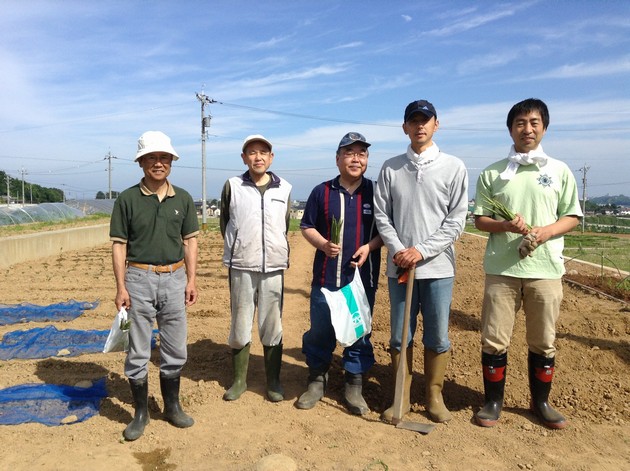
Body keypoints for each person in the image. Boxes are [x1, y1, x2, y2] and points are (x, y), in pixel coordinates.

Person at [473, 98, 582, 429]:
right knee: (494, 338)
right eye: (520, 123)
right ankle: (493, 402)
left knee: (543, 340)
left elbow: (572, 216)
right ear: (510, 129)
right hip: (502, 271)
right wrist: (506, 225)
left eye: (534, 122)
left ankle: (541, 402)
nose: (527, 129)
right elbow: (480, 220)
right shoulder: (493, 172)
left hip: (545, 270)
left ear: (545, 128)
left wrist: (546, 232)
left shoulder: (559, 170)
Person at [374, 100, 469, 423]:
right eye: (413, 121)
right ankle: (400, 396)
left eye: (425, 121)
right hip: (400, 267)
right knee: (401, 335)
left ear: (436, 125)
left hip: (438, 268)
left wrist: (422, 251)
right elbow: (382, 216)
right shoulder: (390, 167)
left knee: (438, 335)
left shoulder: (454, 167)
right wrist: (401, 249)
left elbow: (456, 221)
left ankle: (434, 396)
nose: (419, 126)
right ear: (404, 127)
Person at [110, 130, 199, 441]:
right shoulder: (128, 199)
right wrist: (121, 287)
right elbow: (119, 245)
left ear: (171, 162)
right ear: (141, 163)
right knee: (138, 348)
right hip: (139, 279)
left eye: (163, 158)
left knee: (175, 346)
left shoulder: (184, 199)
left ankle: (172, 407)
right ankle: (140, 412)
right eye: (152, 158)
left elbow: (190, 241)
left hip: (175, 278)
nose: (158, 163)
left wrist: (191, 278)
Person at [296, 132, 383, 415]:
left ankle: (354, 385)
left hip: (361, 279)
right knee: (320, 331)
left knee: (359, 332)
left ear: (367, 160)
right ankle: (316, 381)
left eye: (361, 153)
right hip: (326, 279)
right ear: (338, 159)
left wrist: (370, 247)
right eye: (349, 153)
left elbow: (386, 232)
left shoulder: (376, 192)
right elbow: (307, 225)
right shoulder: (322, 191)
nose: (355, 159)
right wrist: (322, 244)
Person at [220, 134, 292, 403]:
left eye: (263, 152)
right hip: (241, 265)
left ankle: (273, 381)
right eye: (252, 152)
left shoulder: (284, 187)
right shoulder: (233, 185)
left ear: (271, 157)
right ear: (244, 158)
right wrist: (239, 246)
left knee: (272, 323)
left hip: (273, 266)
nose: (258, 157)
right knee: (240, 322)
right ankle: (239, 380)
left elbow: (284, 223)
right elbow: (225, 222)